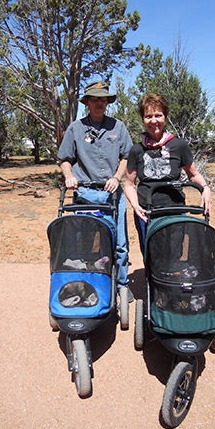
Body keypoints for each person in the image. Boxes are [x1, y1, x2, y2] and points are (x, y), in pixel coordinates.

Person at [57, 80, 134, 301]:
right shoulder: (76, 128)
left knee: (119, 244)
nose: (99, 103)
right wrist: (69, 176)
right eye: (95, 99)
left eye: (103, 99)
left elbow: (126, 156)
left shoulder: (117, 127)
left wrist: (116, 177)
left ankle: (121, 285)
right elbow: (64, 159)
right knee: (82, 245)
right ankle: (84, 284)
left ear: (107, 102)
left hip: (112, 195)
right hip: (85, 195)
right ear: (87, 102)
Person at [124, 93, 212, 253]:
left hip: (174, 210)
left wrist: (205, 188)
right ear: (143, 119)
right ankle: (151, 279)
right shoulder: (136, 150)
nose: (153, 121)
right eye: (148, 116)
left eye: (158, 115)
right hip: (146, 212)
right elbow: (129, 184)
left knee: (175, 254)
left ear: (165, 116)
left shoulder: (179, 145)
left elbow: (193, 174)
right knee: (151, 255)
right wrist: (135, 206)